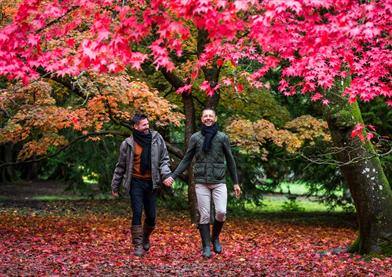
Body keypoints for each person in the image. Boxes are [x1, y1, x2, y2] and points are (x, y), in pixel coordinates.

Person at [166, 108, 241, 258]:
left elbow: (230, 160)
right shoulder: (195, 138)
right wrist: (173, 176)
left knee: (221, 212)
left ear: (215, 118)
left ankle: (215, 238)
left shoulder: (222, 137)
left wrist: (236, 182)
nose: (208, 118)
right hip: (201, 181)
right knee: (205, 215)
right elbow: (187, 159)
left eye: (210, 116)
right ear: (201, 119)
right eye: (205, 116)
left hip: (219, 181)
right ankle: (206, 245)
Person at [111, 114, 173, 257]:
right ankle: (138, 245)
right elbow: (120, 166)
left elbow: (164, 160)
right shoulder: (127, 144)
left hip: (151, 182)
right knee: (137, 212)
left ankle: (145, 237)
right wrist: (115, 185)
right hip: (135, 182)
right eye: (144, 125)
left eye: (147, 124)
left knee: (151, 216)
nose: (147, 127)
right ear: (136, 126)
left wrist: (166, 175)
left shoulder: (157, 139)